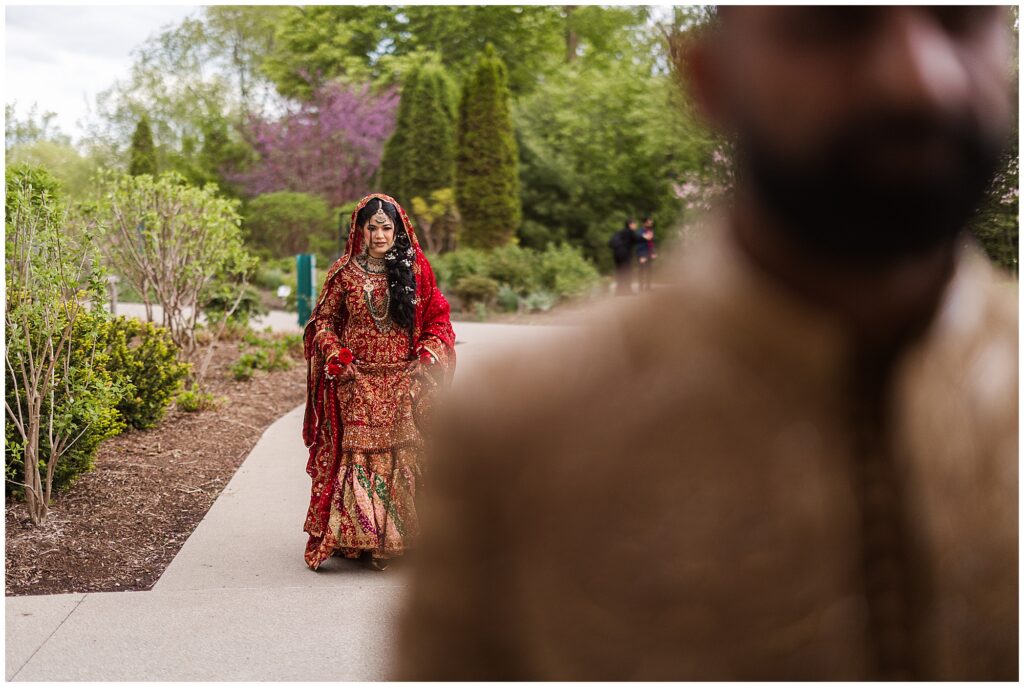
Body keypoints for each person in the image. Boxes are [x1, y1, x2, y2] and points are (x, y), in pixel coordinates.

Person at [396, 6, 1016, 680]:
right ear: (709, 76)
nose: (919, 81)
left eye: (960, 21)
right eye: (837, 26)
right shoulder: (517, 428)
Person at [301, 193, 455, 572]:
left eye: (387, 227)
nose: (381, 234)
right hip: (357, 381)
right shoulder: (344, 274)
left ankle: (403, 540)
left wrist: (429, 353)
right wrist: (336, 355)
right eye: (373, 228)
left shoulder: (415, 269)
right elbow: (322, 323)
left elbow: (439, 318)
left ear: (398, 229)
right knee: (360, 458)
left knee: (405, 454)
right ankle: (362, 541)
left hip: (403, 378)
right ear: (360, 230)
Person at [608, 219, 640, 295]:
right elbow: (637, 239)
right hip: (625, 254)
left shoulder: (619, 232)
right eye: (634, 224)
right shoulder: (630, 232)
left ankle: (619, 291)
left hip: (616, 254)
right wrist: (645, 237)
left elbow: (610, 242)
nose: (635, 226)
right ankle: (628, 290)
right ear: (630, 225)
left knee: (619, 272)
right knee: (627, 271)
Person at [635, 216, 658, 291]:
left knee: (649, 270)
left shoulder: (651, 231)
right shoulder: (640, 231)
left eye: (651, 221)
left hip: (649, 252)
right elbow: (639, 243)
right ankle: (641, 287)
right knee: (641, 270)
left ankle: (648, 286)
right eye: (649, 221)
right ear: (644, 223)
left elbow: (652, 242)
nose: (650, 223)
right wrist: (641, 255)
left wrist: (653, 252)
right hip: (642, 253)